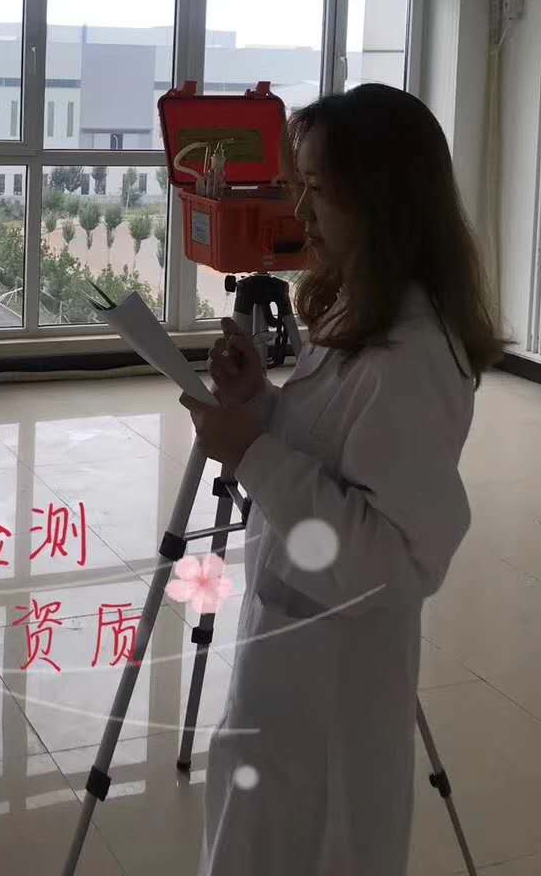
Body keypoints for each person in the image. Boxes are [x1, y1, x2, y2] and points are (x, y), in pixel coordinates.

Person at [189, 83, 503, 876]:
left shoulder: (414, 358)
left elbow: (391, 561)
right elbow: (327, 450)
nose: (300, 210)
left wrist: (252, 453)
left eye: (317, 190)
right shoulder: (356, 315)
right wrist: (260, 405)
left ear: (380, 202)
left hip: (333, 697)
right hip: (286, 663)